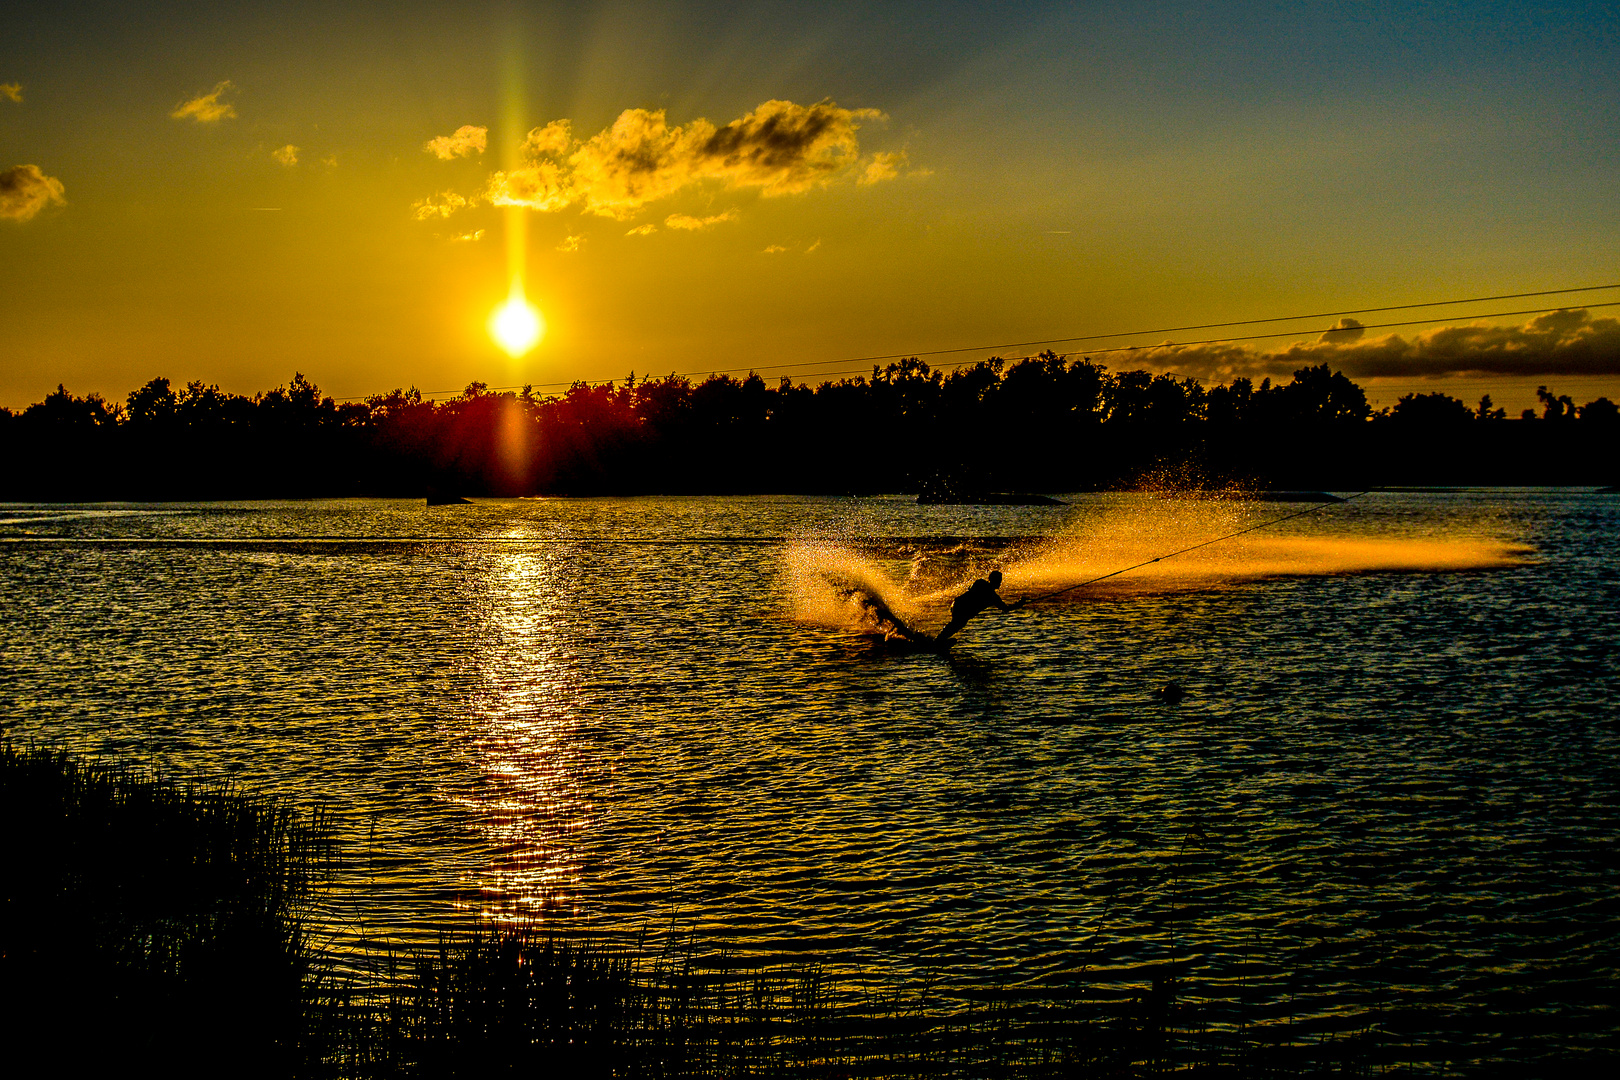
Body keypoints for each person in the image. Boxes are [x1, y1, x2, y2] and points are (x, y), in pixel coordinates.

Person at [936, 570, 1025, 643]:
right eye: (999, 581)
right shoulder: (992, 595)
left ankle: (939, 639)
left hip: (957, 603)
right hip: (961, 606)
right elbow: (1006, 608)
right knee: (958, 623)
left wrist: (1019, 604)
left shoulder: (982, 585)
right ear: (995, 581)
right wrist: (1019, 604)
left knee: (957, 624)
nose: (1000, 583)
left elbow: (1005, 608)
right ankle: (938, 641)